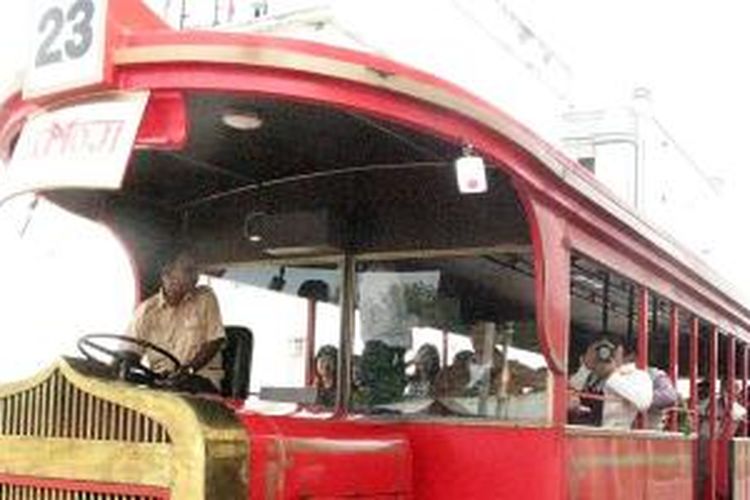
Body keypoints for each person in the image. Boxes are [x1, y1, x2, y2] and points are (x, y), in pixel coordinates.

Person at [126, 249, 225, 393]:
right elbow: (130, 351)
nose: (196, 277)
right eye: (188, 271)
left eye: (196, 271)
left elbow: (214, 341)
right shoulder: (146, 310)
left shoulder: (205, 297)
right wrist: (123, 364)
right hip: (161, 383)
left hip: (200, 380)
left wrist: (188, 370)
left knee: (177, 389)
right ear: (167, 274)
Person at [568, 335, 653, 428]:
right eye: (598, 349)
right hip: (581, 429)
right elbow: (572, 388)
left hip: (614, 434)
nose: (603, 353)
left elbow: (643, 402)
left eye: (608, 349)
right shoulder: (592, 374)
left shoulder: (637, 375)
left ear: (620, 351)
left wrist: (612, 375)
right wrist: (586, 366)